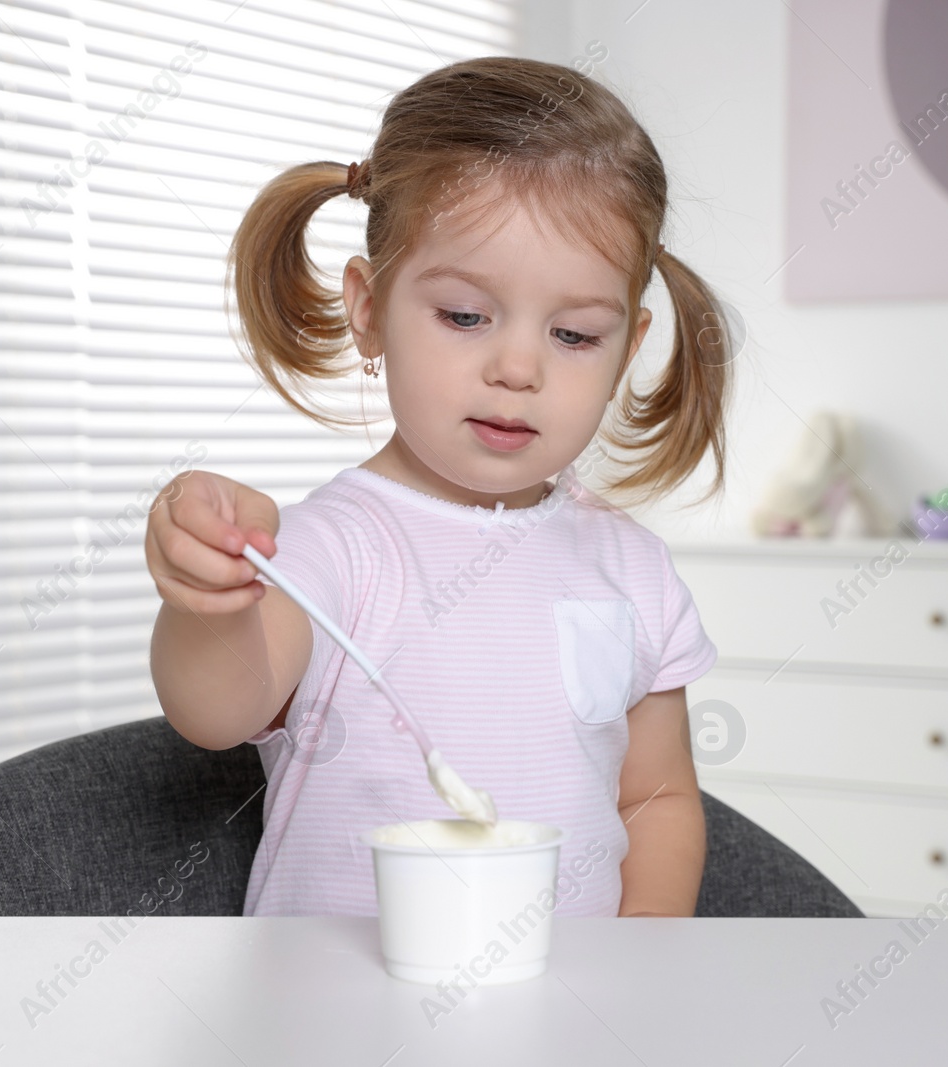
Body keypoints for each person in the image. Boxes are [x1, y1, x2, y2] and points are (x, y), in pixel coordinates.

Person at [145, 55, 734, 919]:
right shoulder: (329, 548)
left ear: (628, 345)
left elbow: (656, 800)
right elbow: (214, 712)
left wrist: (641, 972)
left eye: (574, 334)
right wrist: (212, 596)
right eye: (465, 316)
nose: (517, 367)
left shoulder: (634, 571)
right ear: (371, 308)